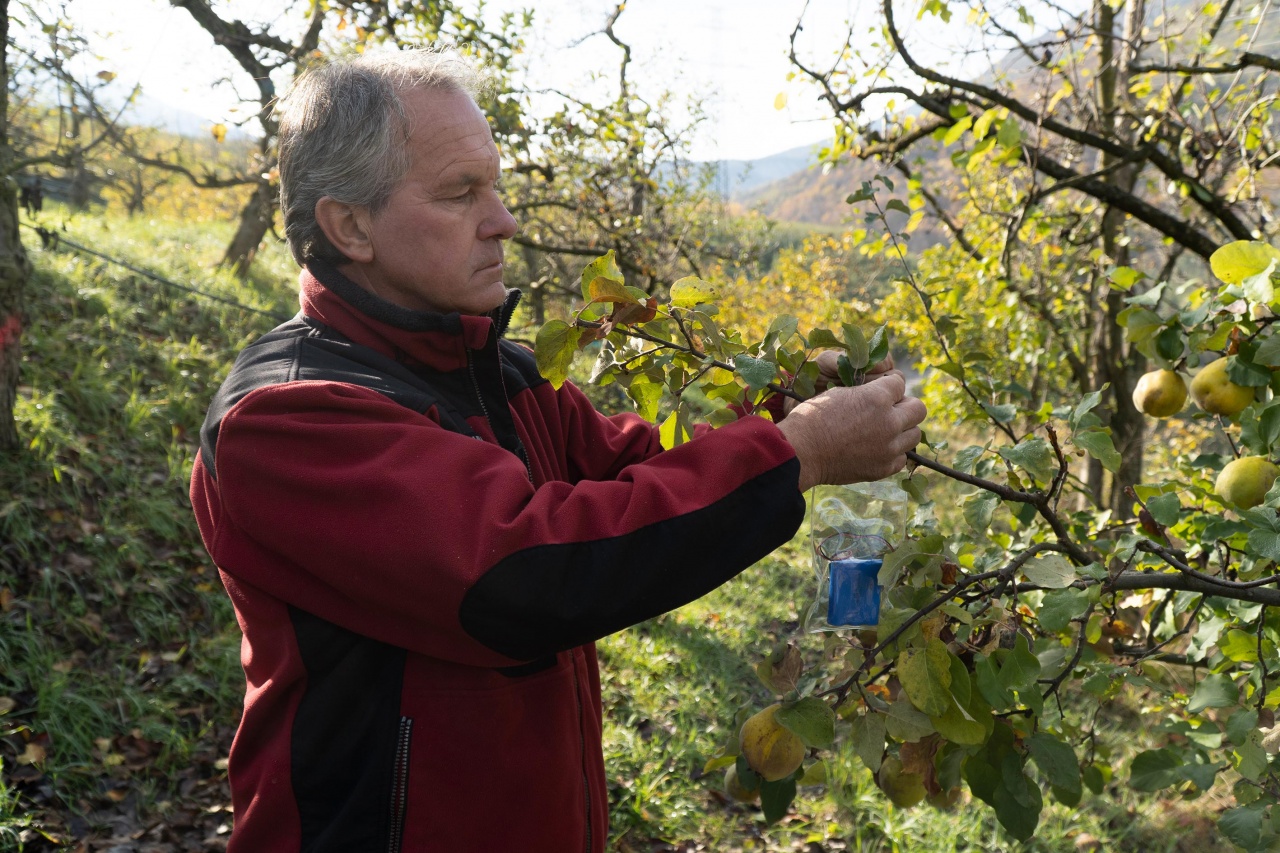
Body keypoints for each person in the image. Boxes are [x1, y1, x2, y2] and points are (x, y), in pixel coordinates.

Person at [189, 46, 926, 853]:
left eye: (495, 184)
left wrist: (781, 408)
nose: (502, 218)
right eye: (460, 192)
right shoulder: (287, 419)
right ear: (350, 225)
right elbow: (527, 570)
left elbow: (635, 471)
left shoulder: (492, 369)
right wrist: (801, 451)